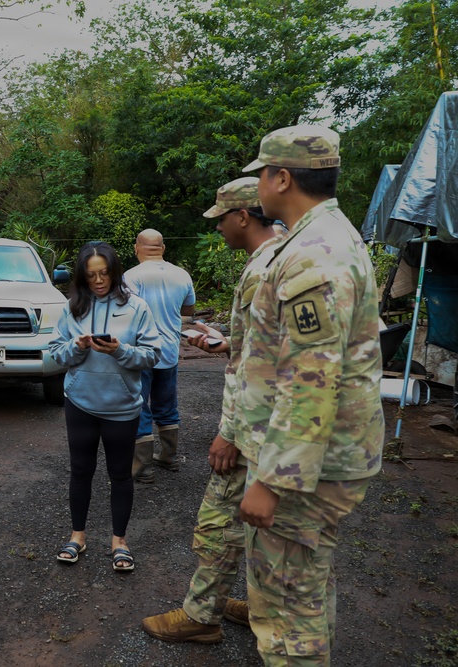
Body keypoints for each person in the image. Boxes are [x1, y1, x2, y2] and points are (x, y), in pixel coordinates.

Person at [242, 126, 383, 665]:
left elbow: (311, 381)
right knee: (306, 587)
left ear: (282, 178)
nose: (257, 181)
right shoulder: (323, 238)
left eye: (261, 171)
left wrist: (272, 481)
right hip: (324, 461)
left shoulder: (313, 256)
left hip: (307, 473)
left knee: (284, 606)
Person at [142, 176, 280, 643]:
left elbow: (266, 371)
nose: (218, 228)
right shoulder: (277, 258)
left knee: (218, 522)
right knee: (269, 531)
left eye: (221, 219)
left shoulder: (265, 270)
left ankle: (202, 617)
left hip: (255, 431)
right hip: (273, 432)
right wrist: (226, 345)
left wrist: (231, 434)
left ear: (243, 216)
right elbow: (265, 350)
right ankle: (259, 609)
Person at [49, 241, 162, 571]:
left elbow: (153, 355)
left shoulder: (137, 307)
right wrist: (78, 346)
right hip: (80, 403)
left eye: (105, 273)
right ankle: (77, 537)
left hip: (122, 407)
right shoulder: (73, 307)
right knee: (81, 472)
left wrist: (119, 350)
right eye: (91, 275)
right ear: (82, 277)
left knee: (120, 475)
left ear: (114, 271)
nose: (99, 281)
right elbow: (57, 353)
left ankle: (119, 542)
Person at [123, 229, 196, 483]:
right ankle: (170, 456)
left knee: (140, 405)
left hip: (141, 352)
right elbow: (188, 308)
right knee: (167, 405)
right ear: (162, 248)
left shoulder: (131, 277)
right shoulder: (182, 274)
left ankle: (143, 467)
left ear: (136, 248)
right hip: (169, 351)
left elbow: (127, 314)